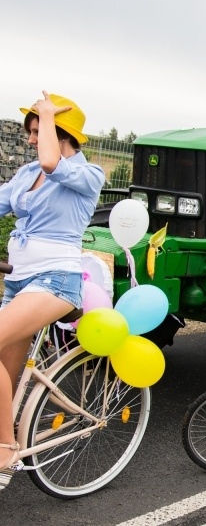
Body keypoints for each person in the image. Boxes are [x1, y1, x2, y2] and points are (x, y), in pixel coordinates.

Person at [0, 91, 105, 490]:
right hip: (19, 282)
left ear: (59, 132)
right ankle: (5, 432)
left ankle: (6, 451)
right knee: (5, 382)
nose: (29, 139)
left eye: (36, 129)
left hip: (55, 281)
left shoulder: (87, 174)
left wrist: (45, 111)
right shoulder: (27, 175)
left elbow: (51, 161)